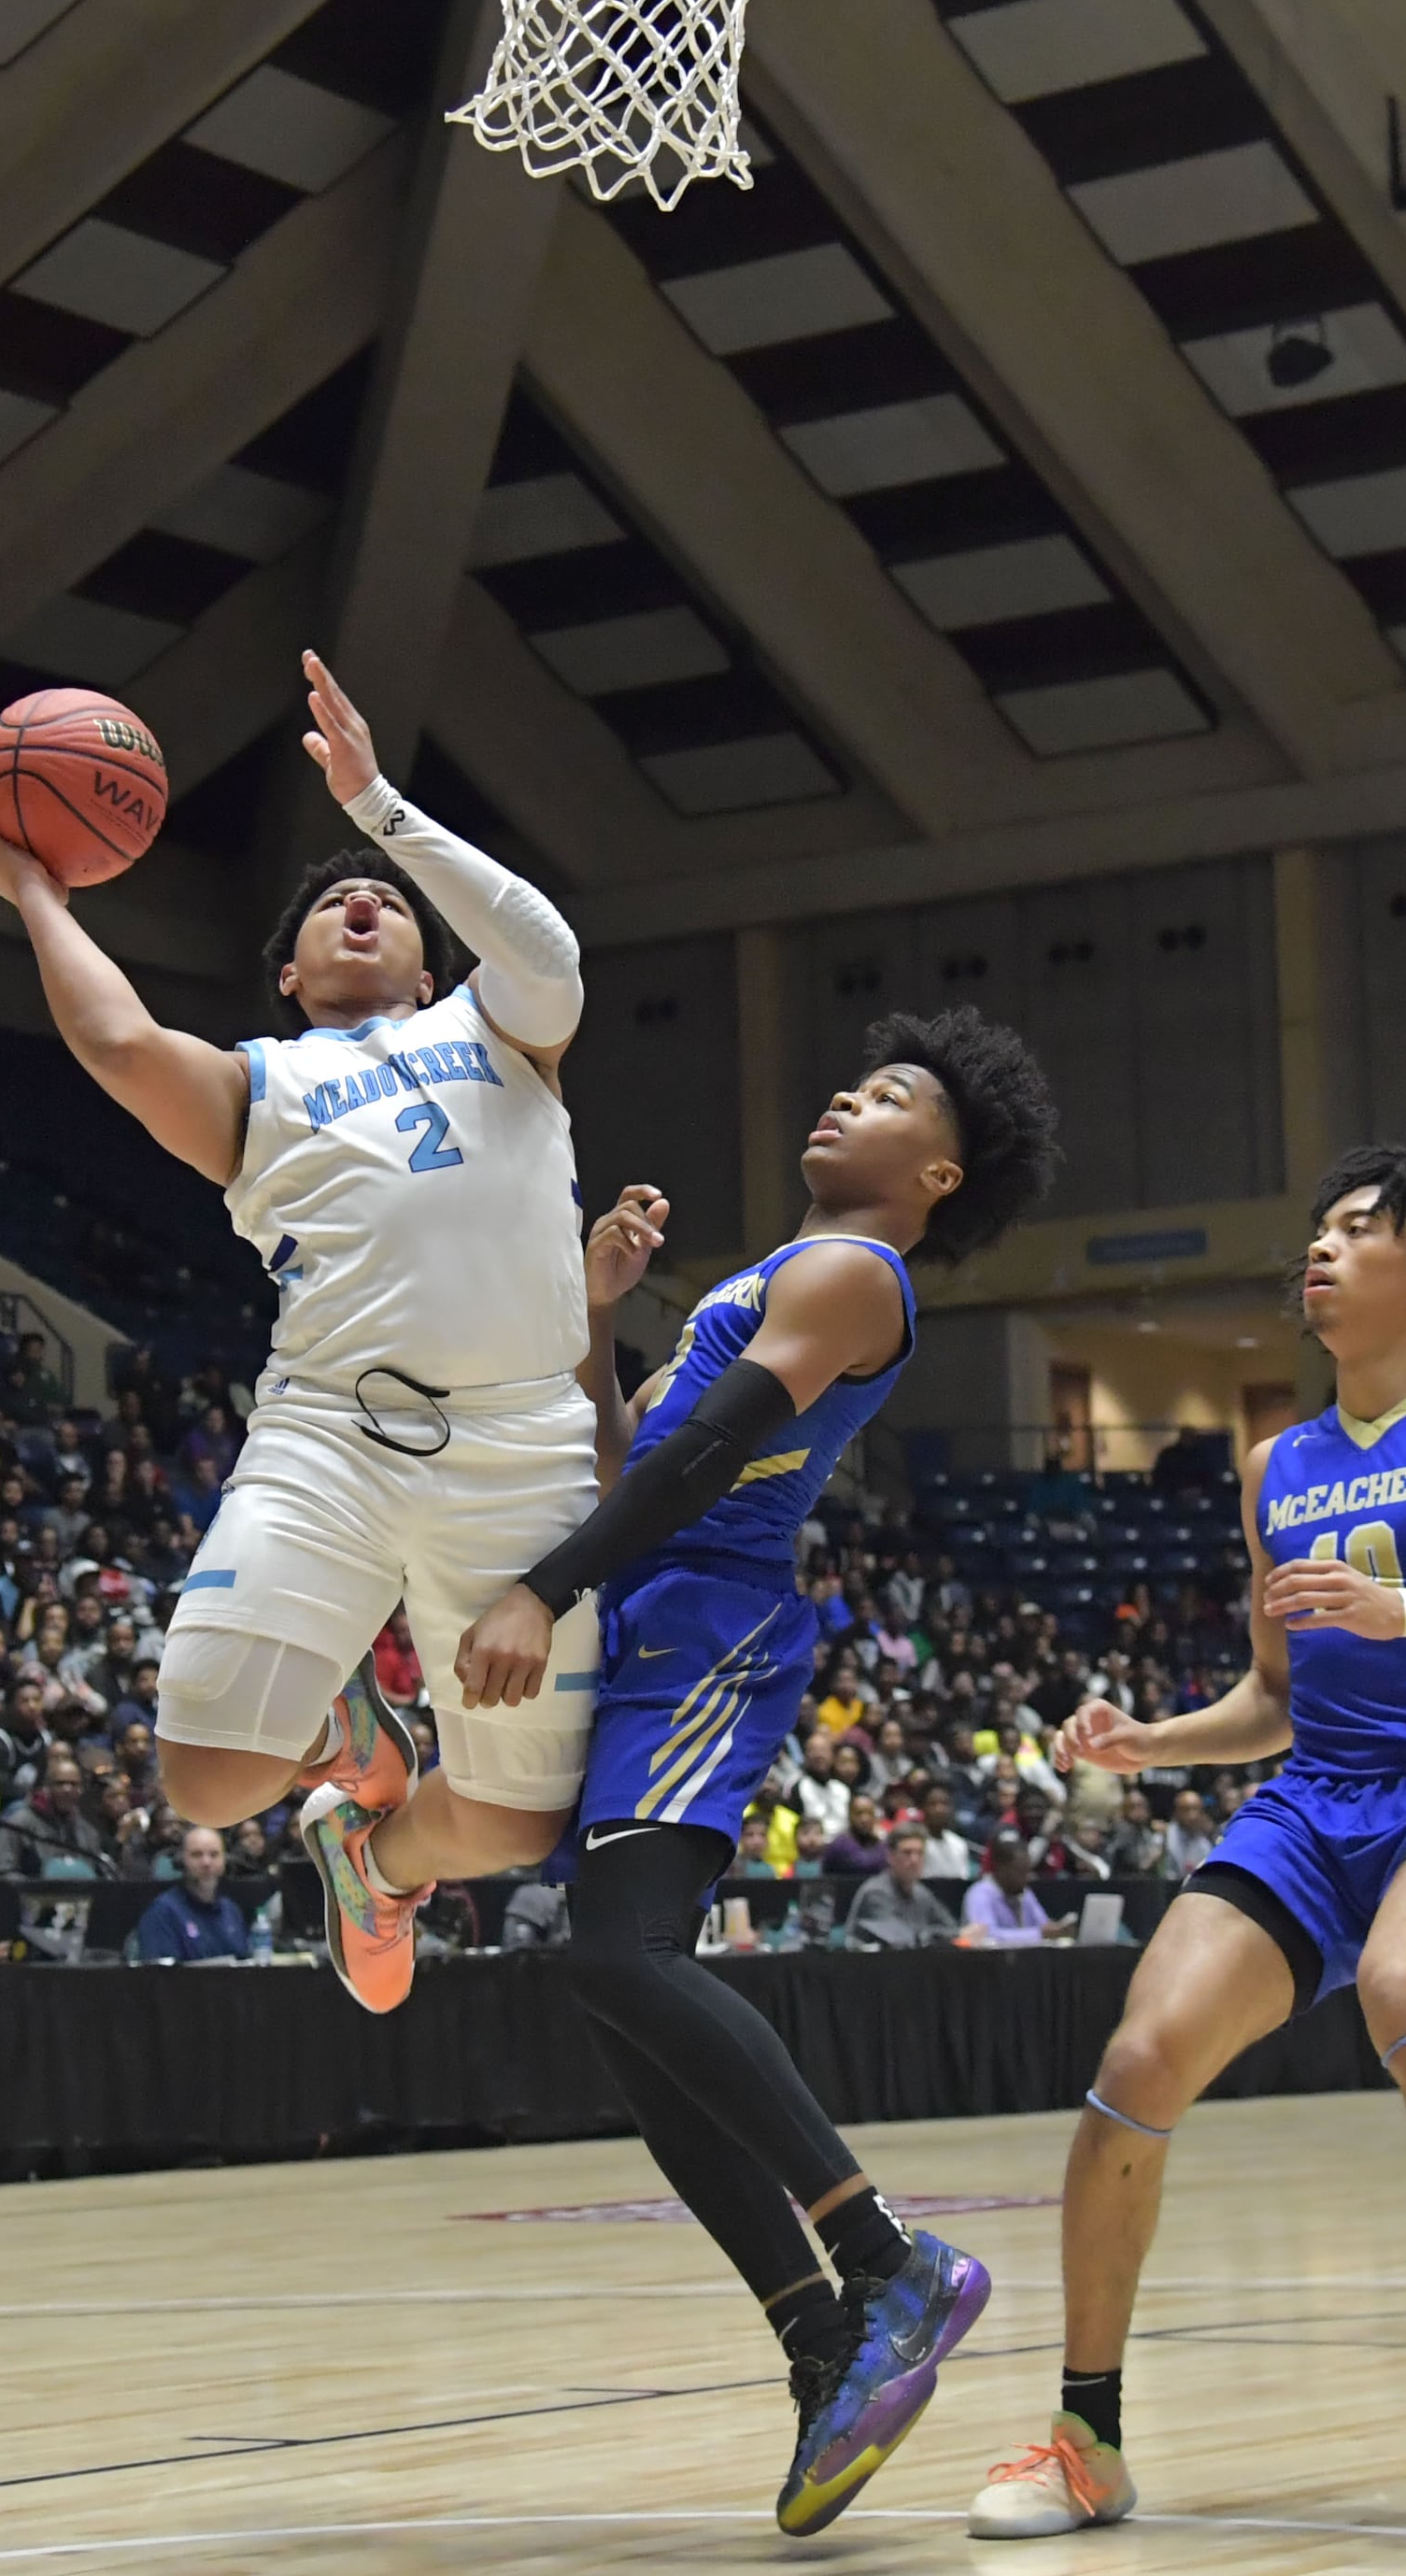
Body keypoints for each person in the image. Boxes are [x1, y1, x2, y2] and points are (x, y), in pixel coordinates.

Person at [446, 1008, 1058, 2532]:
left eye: (892, 1094)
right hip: (653, 1602)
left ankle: (886, 2261)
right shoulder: (767, 1275)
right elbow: (622, 1452)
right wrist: (597, 1319)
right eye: (853, 1075)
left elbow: (701, 1459)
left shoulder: (857, 1272)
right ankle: (823, 2339)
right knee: (616, 1991)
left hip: (711, 1618)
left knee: (619, 1949)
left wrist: (542, 1586)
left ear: (935, 1173)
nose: (849, 1091)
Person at [973, 1145, 1406, 2542]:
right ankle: (1089, 2433)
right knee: (1140, 2056)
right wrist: (1152, 1739)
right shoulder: (1280, 1463)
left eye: (1357, 1230)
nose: (1318, 1248)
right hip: (1315, 1798)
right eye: (1317, 1231)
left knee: (1404, 1985)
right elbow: (1273, 1698)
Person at [0, 652, 605, 1987]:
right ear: (294, 982)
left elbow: (547, 947)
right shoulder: (267, 1082)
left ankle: (376, 1863)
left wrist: (378, 807)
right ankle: (349, 1739)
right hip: (336, 1437)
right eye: (330, 910)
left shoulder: (506, 1027)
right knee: (204, 1780)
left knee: (517, 1818)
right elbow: (122, 1044)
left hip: (525, 1452)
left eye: (381, 899)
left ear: (434, 965)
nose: (360, 902)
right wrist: (32, 885)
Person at [132, 1824, 253, 1963]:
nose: (206, 1863)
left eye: (214, 1854)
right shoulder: (162, 1912)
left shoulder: (231, 1910)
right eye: (197, 1855)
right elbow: (160, 1979)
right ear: (181, 1861)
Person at [845, 1821, 952, 1950]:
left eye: (920, 1853)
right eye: (907, 1853)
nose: (914, 1860)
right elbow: (900, 1939)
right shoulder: (875, 1893)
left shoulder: (921, 1893)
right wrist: (934, 1935)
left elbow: (951, 1927)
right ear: (890, 1856)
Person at [961, 1831, 1069, 1945]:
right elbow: (986, 1936)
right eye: (1020, 1871)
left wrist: (1055, 1930)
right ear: (1000, 1869)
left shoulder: (1025, 1892)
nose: (1026, 1878)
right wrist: (1038, 1934)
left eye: (1027, 1871)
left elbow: (1043, 1925)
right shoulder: (980, 1894)